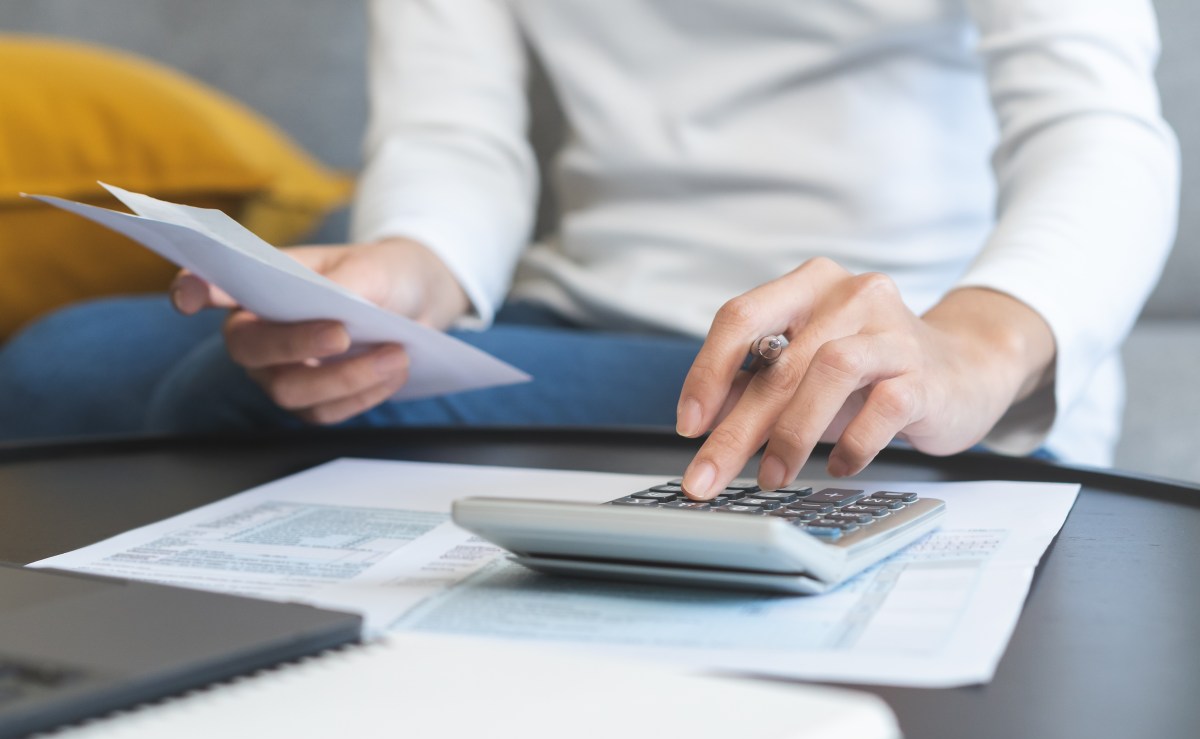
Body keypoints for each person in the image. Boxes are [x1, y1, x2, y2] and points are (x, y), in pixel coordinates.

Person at [0, 0, 1179, 501]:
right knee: (55, 364)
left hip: (878, 354)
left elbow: (1097, 129)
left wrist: (975, 345)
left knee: (228, 399)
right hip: (581, 310)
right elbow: (455, 136)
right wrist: (411, 264)